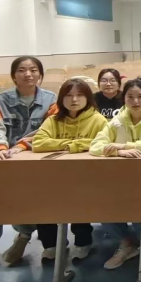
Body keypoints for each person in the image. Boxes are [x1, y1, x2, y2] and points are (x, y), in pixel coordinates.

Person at [0, 56, 57, 267]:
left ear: (40, 74)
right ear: (14, 75)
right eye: (22, 70)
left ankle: (23, 235)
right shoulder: (0, 101)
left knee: (32, 196)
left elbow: (48, 130)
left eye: (33, 70)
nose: (28, 74)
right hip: (3, 157)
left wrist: (21, 147)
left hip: (35, 157)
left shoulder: (51, 100)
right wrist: (0, 149)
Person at [90, 78, 141, 270]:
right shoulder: (117, 121)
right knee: (102, 206)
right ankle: (127, 243)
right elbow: (96, 146)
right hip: (118, 178)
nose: (135, 101)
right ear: (124, 98)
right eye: (130, 97)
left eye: (140, 96)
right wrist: (118, 152)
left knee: (139, 208)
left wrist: (124, 145)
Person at [32, 79, 108, 261]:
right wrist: (72, 144)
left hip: (87, 176)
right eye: (69, 95)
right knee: (42, 201)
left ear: (88, 98)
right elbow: (38, 143)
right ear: (61, 99)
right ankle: (51, 245)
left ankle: (83, 241)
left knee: (80, 200)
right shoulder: (53, 120)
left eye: (79, 95)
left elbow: (102, 143)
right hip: (53, 176)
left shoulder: (98, 120)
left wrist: (66, 145)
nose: (74, 99)